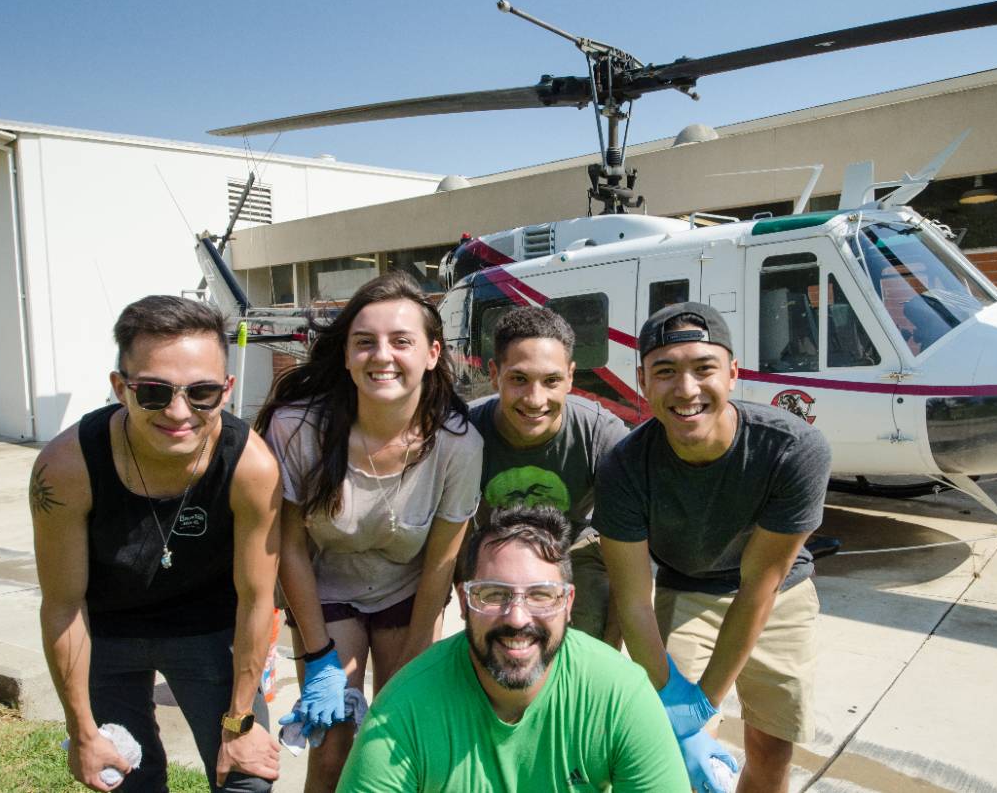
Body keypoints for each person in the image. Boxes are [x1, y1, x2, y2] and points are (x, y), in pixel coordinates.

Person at [32, 295, 282, 792]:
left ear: (227, 390)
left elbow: (258, 601)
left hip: (208, 631)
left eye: (202, 392)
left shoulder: (251, 467)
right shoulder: (66, 469)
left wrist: (238, 724)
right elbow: (63, 605)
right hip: (106, 633)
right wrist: (81, 731)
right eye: (153, 391)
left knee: (247, 778)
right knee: (123, 778)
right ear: (120, 388)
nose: (178, 411)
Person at [256, 272, 482, 792]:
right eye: (365, 342)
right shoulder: (297, 429)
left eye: (401, 341)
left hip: (409, 595)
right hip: (327, 591)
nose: (382, 355)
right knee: (333, 740)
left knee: (400, 738)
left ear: (431, 353)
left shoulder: (458, 444)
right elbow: (286, 546)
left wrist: (411, 668)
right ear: (345, 355)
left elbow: (442, 564)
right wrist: (318, 658)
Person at [596, 302, 831, 793]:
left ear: (733, 373)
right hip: (687, 588)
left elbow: (757, 588)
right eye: (665, 372)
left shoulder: (793, 449)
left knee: (771, 749)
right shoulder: (623, 466)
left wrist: (707, 699)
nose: (686, 390)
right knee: (676, 747)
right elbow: (635, 600)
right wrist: (677, 704)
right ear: (643, 382)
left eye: (704, 369)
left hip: (777, 594)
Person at [336, 505, 689, 793]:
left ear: (568, 604)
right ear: (464, 602)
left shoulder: (620, 695)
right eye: (493, 594)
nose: (517, 618)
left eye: (540, 595)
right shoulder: (403, 710)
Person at [468, 306, 628, 644]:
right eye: (519, 379)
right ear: (495, 374)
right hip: (494, 549)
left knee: (593, 615)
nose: (535, 399)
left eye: (551, 381)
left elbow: (626, 555)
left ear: (571, 376)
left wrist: (608, 652)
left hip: (572, 548)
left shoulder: (601, 435)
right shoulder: (464, 432)